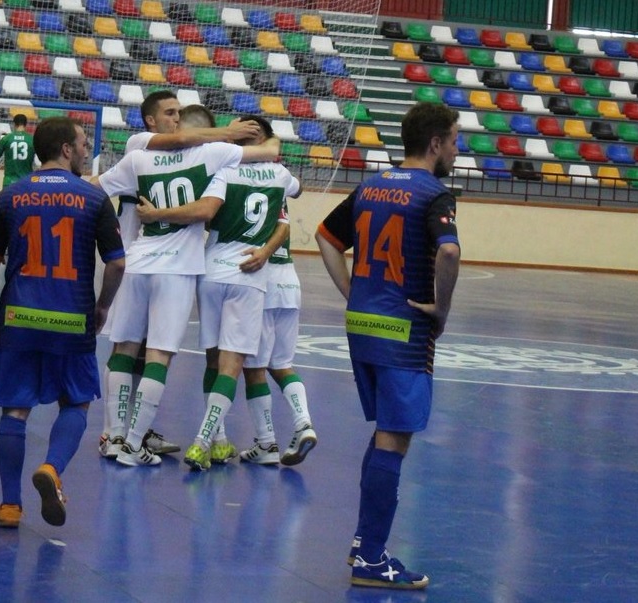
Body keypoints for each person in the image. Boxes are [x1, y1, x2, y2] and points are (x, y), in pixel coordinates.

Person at [314, 103, 461, 590]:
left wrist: (350, 290)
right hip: (404, 332)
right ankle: (372, 558)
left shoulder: (371, 185)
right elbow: (449, 250)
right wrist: (440, 309)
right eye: (455, 140)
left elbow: (325, 237)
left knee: (384, 433)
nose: (457, 150)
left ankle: (364, 543)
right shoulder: (436, 195)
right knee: (396, 438)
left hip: (362, 323)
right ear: (436, 143)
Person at [0, 117, 125, 529]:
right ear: (65, 149)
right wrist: (101, 307)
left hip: (20, 317)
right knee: (76, 401)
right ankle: (52, 470)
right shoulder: (93, 198)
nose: (85, 150)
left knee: (15, 409)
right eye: (81, 144)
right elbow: (117, 263)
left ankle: (9, 506)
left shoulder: (10, 197)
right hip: (71, 316)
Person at [96, 90, 263, 461]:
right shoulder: (211, 155)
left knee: (124, 349)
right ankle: (133, 444)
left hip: (137, 261)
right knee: (157, 355)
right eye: (169, 113)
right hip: (176, 268)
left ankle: (115, 435)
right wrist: (234, 134)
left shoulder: (137, 157)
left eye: (178, 115)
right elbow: (265, 154)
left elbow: (93, 189)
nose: (174, 120)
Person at [134, 115, 298, 471]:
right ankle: (202, 441)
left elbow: (206, 214)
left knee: (212, 359)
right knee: (232, 365)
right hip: (249, 273)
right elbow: (286, 208)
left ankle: (219, 441)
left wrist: (157, 213)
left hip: (211, 270)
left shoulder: (221, 171)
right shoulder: (280, 176)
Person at [239, 223, 316, 467]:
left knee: (254, 368)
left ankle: (266, 442)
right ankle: (303, 422)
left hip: (264, 283)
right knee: (282, 364)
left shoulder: (251, 188)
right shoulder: (280, 190)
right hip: (290, 284)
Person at [0, 114, 36, 189]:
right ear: (26, 124)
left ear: (14, 124)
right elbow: (38, 162)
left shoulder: (6, 138)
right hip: (26, 182)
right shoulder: (32, 140)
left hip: (9, 182)